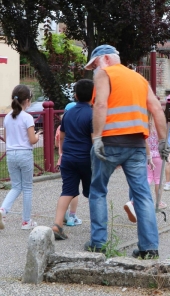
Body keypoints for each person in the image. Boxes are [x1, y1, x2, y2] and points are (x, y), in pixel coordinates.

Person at [86, 44, 169, 260]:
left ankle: (98, 244)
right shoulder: (139, 79)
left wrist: (96, 138)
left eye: (94, 63)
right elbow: (157, 109)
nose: (94, 68)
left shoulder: (105, 74)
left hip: (109, 142)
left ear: (104, 59)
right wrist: (162, 141)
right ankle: (149, 248)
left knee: (97, 190)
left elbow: (101, 105)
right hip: (136, 145)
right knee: (142, 195)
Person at [50, 79, 94, 240]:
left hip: (68, 157)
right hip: (86, 158)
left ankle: (57, 225)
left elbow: (62, 137)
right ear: (94, 95)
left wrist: (63, 153)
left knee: (67, 191)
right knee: (94, 192)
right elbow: (95, 140)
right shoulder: (92, 114)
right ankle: (97, 229)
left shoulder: (68, 113)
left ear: (75, 95)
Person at [0, 85, 41, 231]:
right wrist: (38, 136)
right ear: (27, 101)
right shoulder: (28, 117)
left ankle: (3, 209)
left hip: (11, 153)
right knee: (27, 187)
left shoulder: (7, 117)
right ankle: (26, 221)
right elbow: (32, 140)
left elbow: (5, 137)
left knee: (16, 186)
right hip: (24, 154)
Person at [55, 101, 82, 227]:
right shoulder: (79, 125)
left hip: (63, 159)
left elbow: (57, 144)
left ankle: (61, 218)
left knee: (66, 188)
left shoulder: (60, 127)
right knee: (74, 191)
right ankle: (72, 216)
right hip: (77, 157)